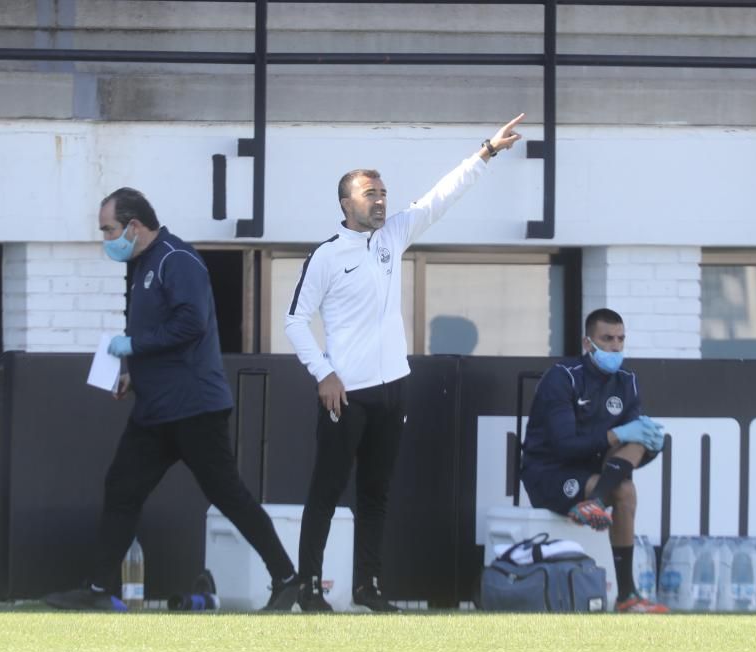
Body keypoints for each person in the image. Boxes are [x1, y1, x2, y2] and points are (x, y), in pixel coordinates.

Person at [285, 114, 525, 612]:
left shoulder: (394, 237)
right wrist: (323, 372)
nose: (380, 200)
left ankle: (367, 588)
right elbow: (295, 321)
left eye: (383, 192)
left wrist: (486, 151)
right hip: (345, 391)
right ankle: (308, 587)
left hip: (393, 388)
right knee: (327, 491)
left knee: (376, 494)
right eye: (370, 193)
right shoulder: (327, 256)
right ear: (346, 203)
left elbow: (441, 196)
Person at [44, 187, 299, 611]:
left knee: (227, 494)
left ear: (134, 225)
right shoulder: (141, 265)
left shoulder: (176, 259)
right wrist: (131, 371)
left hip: (194, 406)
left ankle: (287, 578)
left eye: (109, 229)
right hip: (155, 410)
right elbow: (153, 337)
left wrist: (134, 345)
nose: (106, 238)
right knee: (122, 488)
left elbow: (190, 325)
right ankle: (99, 591)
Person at [520, 308, 669, 613]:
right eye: (607, 339)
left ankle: (627, 596)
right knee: (624, 467)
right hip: (550, 474)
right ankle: (598, 499)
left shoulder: (627, 381)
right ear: (588, 344)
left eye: (620, 339)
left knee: (631, 471)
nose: (615, 346)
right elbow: (565, 447)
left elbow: (628, 445)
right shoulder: (562, 378)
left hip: (595, 474)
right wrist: (618, 434)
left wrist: (651, 444)